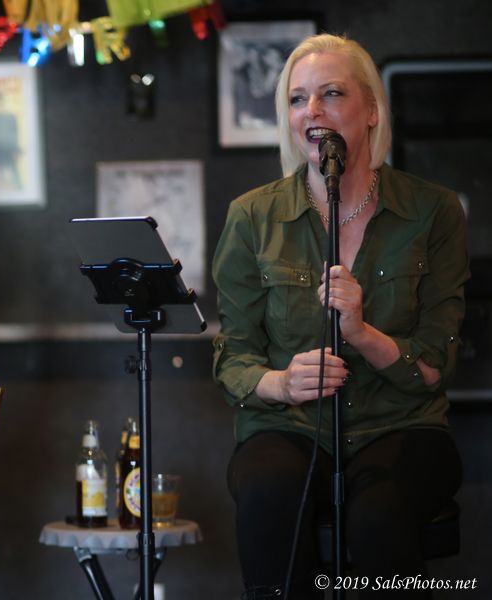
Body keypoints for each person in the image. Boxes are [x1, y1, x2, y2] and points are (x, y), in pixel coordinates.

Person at [211, 34, 468, 599]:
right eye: (297, 99)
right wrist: (280, 383)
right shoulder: (252, 217)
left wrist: (362, 333)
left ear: (371, 110)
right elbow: (234, 356)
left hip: (400, 425)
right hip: (290, 427)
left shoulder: (433, 210)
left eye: (331, 93)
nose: (313, 111)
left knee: (378, 517)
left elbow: (436, 365)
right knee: (268, 495)